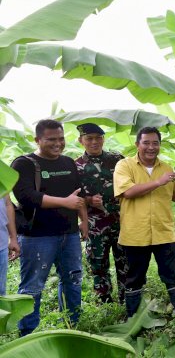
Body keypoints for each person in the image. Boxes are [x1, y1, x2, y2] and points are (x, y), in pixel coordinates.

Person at [11, 119, 88, 336]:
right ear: (38, 140)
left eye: (61, 139)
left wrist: (83, 219)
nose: (58, 143)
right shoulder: (23, 164)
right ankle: (27, 334)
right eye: (51, 139)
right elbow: (26, 197)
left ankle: (72, 326)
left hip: (69, 234)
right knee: (32, 287)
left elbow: (78, 193)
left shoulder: (67, 162)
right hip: (37, 237)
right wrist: (64, 202)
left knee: (73, 280)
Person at [113, 126, 175, 329]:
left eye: (155, 143)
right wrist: (158, 182)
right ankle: (132, 320)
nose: (151, 147)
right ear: (137, 144)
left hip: (164, 232)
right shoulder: (124, 166)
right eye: (146, 142)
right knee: (134, 278)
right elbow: (128, 191)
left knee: (172, 275)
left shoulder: (167, 167)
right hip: (135, 234)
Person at [75, 123, 128, 304]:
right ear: (81, 141)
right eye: (89, 138)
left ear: (103, 139)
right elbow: (74, 196)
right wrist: (89, 200)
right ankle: (104, 301)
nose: (94, 142)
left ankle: (127, 299)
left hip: (121, 221)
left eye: (98, 138)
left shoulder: (118, 159)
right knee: (98, 264)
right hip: (95, 225)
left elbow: (130, 184)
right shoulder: (77, 166)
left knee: (125, 262)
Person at [1, 194, 20, 295]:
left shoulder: (3, 177)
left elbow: (7, 204)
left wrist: (13, 238)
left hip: (1, 244)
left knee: (0, 293)